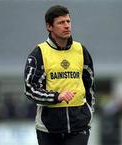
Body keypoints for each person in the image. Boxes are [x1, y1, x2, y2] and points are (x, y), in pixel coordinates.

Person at [24, 5, 95, 145]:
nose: (67, 26)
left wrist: (90, 111)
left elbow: (90, 84)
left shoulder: (81, 50)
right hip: (48, 128)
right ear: (49, 27)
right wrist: (56, 96)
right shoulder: (39, 53)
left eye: (68, 21)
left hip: (79, 125)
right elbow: (30, 89)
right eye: (61, 23)